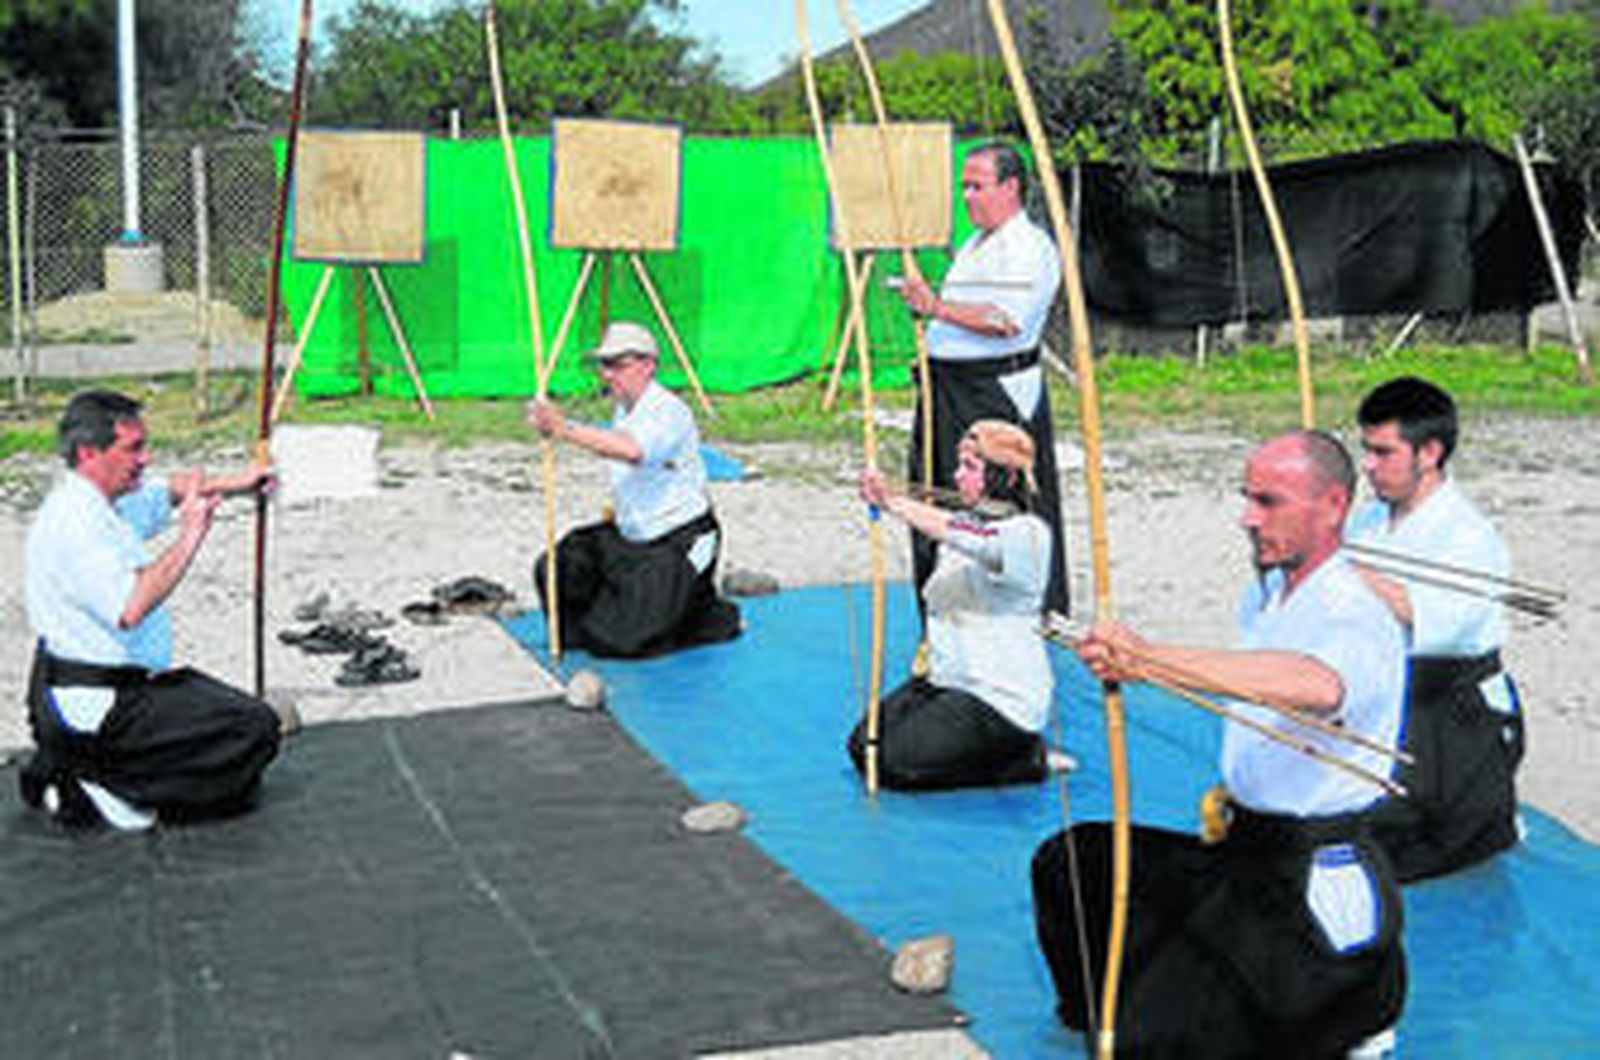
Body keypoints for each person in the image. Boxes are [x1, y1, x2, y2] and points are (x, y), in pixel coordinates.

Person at [1032, 432, 1407, 1057]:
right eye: (1247, 498)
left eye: (1269, 501)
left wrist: (1150, 661)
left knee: (1163, 1044)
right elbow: (1253, 670)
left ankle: (1352, 1018)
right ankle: (1106, 1008)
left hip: (1312, 882)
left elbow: (1313, 683)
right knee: (1073, 863)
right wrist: (1148, 660)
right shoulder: (1269, 591)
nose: (1248, 517)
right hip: (1243, 852)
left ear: (1334, 505)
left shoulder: (1355, 611)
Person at [21, 389, 283, 830]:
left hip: (102, 691)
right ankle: (98, 785)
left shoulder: (104, 499)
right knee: (253, 730)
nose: (145, 459)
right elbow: (132, 606)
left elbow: (167, 492)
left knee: (229, 715)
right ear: (89, 453)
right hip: (96, 706)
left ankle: (71, 766)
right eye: (134, 448)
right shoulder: (77, 523)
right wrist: (191, 534)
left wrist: (237, 482)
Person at [1348, 377, 1522, 882]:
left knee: (1392, 852)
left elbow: (1426, 617)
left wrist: (1344, 570)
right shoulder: (1366, 523)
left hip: (1454, 718)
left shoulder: (1469, 536)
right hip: (1386, 704)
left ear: (1429, 452)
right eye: (1366, 450)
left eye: (1383, 452)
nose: (1369, 465)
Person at [894, 140, 1069, 619]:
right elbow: (960, 315)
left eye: (977, 186)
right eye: (963, 186)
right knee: (942, 488)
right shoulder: (976, 244)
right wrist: (930, 310)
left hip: (995, 391)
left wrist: (935, 307)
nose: (967, 196)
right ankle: (947, 602)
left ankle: (1028, 611)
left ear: (1011, 187)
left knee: (998, 497)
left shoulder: (1030, 247)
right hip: (950, 387)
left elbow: (1005, 319)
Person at [847, 420, 1054, 790]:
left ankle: (1024, 758)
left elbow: (971, 537)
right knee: (863, 747)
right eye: (960, 465)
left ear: (1004, 476)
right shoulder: (966, 526)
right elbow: (957, 532)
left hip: (999, 700)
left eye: (971, 467)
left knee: (894, 766)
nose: (958, 476)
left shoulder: (1028, 535)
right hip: (945, 682)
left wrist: (892, 501)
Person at [527, 320, 740, 658]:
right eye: (604, 365)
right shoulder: (623, 410)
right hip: (634, 537)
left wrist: (562, 427)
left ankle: (706, 613)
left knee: (624, 642)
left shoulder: (667, 410)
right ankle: (625, 614)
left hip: (682, 540)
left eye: (617, 364)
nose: (608, 374)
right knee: (557, 567)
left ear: (648, 365)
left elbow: (632, 450)